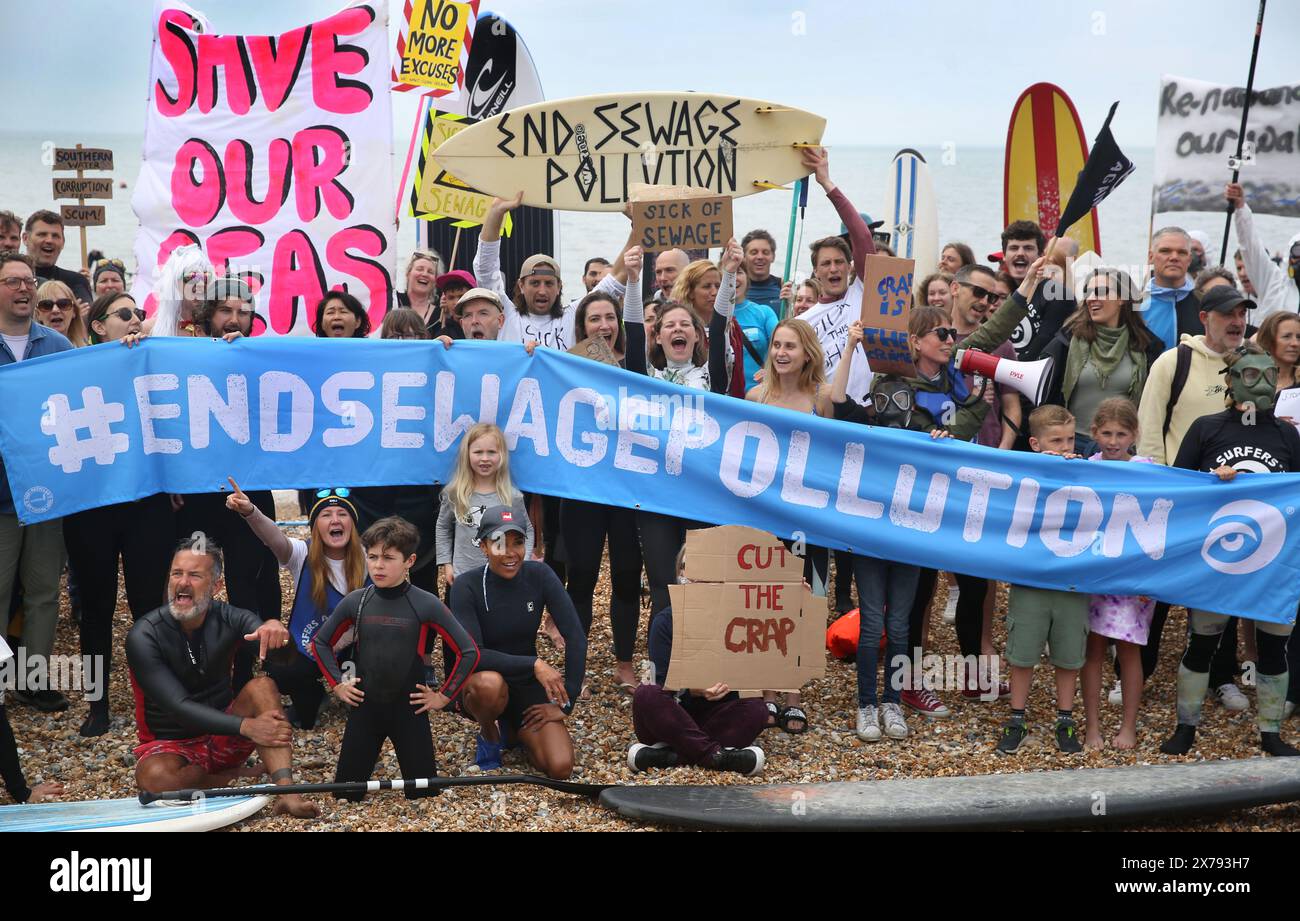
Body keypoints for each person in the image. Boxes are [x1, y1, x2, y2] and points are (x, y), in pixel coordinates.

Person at [1161, 343, 1300, 758]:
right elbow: (1178, 489)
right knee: (1203, 643)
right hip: (1216, 558)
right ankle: (1185, 728)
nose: (1261, 385)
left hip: (1273, 560)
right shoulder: (1207, 428)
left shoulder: (1287, 434)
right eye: (1250, 375)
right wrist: (1210, 479)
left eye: (1269, 375)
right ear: (1232, 380)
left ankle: (1270, 732)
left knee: (1273, 647)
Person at [125, 537, 318, 817]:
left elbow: (286, 662)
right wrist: (247, 727)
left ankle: (285, 792)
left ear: (215, 586)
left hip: (223, 734)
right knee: (155, 779)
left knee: (262, 686)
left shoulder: (229, 618)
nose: (182, 583)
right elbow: (179, 708)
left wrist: (280, 636)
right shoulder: (144, 635)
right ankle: (230, 777)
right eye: (177, 573)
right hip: (171, 745)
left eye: (194, 575)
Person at [1134, 283, 1253, 707]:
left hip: (1230, 500)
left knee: (1222, 590)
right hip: (1176, 497)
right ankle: (1133, 675)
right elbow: (1150, 427)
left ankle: (1222, 676)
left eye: (1241, 314)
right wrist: (1157, 488)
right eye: (1227, 315)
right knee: (1156, 593)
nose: (1237, 322)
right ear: (1205, 318)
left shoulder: (1252, 362)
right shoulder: (1174, 361)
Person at [62, 301, 169, 736]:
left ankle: (155, 699)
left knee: (149, 607)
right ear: (98, 326)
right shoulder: (74, 365)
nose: (134, 319)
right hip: (91, 507)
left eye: (137, 311)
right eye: (123, 314)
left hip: (146, 504)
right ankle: (97, 704)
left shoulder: (152, 358)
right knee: (96, 609)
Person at [313, 517, 479, 799]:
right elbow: (320, 643)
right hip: (365, 710)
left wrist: (443, 696)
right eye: (373, 557)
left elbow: (468, 652)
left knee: (424, 796)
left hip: (410, 712)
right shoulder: (357, 601)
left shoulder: (425, 603)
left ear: (409, 561)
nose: (378, 565)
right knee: (345, 796)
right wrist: (338, 684)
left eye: (388, 558)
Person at [623, 243, 733, 618]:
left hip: (702, 493)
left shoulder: (711, 377)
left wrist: (729, 272)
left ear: (697, 336)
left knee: (702, 580)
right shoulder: (646, 379)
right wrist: (635, 279)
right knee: (662, 584)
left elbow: (720, 329)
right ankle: (664, 669)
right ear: (659, 337)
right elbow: (633, 331)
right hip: (656, 496)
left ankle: (703, 667)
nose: (677, 329)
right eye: (669, 325)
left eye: (685, 324)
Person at [448, 508, 587, 778]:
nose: (510, 552)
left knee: (560, 767)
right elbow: (473, 654)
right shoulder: (466, 586)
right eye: (499, 542)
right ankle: (490, 732)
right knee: (489, 685)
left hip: (526, 687)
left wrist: (565, 704)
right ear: (484, 546)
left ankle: (513, 730)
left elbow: (576, 637)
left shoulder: (540, 574)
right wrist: (535, 664)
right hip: (484, 682)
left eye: (518, 542)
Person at [746, 315, 832, 732]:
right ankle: (766, 693)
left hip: (810, 521)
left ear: (806, 354)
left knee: (805, 603)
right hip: (765, 518)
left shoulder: (822, 400)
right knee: (765, 603)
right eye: (777, 345)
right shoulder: (754, 396)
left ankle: (794, 694)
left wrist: (850, 346)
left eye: (790, 347)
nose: (781, 353)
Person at [228, 482, 366, 729]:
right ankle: (313, 694)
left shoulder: (369, 559)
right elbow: (272, 537)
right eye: (326, 515)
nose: (335, 520)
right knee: (281, 670)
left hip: (352, 649)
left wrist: (339, 642)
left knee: (365, 701)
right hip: (309, 649)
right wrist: (250, 511)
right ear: (315, 525)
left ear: (353, 523)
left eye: (342, 514)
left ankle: (353, 692)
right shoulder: (302, 554)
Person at [0, 253, 73, 712]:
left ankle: (33, 678)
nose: (24, 289)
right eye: (12, 282)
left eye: (29, 281)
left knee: (45, 589)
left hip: (47, 494)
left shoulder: (59, 346)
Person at [561, 284, 642, 689]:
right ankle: (576, 660)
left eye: (610, 318)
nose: (603, 325)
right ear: (582, 326)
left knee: (628, 575)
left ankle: (624, 662)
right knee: (582, 577)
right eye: (594, 318)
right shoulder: (566, 367)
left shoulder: (639, 367)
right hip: (583, 489)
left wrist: (631, 276)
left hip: (627, 490)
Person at [995, 405, 1089, 755]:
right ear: (1035, 443)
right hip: (1031, 580)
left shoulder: (1086, 472)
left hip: (1072, 581)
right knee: (1022, 653)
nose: (1065, 448)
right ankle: (1016, 718)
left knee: (1068, 655)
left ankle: (1065, 719)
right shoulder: (1023, 474)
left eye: (1070, 440)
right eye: (1056, 441)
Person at [627, 545, 768, 774]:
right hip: (672, 715)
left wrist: (797, 601)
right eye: (690, 567)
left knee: (757, 709)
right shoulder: (665, 621)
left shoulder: (740, 620)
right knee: (646, 693)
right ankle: (716, 756)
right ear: (680, 574)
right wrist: (694, 689)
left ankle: (669, 756)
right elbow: (657, 679)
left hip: (715, 715)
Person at [1080, 399, 1156, 751]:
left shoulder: (1147, 470)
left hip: (1132, 575)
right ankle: (1091, 727)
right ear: (1094, 432)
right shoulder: (1084, 467)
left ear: (1134, 435)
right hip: (1094, 572)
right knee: (1092, 648)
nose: (1113, 441)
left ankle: (1129, 726)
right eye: (1106, 433)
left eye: (1121, 433)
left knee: (1128, 649)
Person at [1040, 267, 1164, 457]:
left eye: (1101, 292)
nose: (1091, 298)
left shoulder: (1147, 347)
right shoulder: (1066, 342)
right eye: (1088, 293)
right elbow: (1042, 394)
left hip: (1120, 450)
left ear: (1122, 298)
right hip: (1071, 449)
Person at [437, 423, 534, 594]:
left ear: (501, 455)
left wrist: (522, 563)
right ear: (466, 455)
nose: (485, 458)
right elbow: (443, 528)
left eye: (491, 452)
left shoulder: (512, 496)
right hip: (462, 577)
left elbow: (528, 531)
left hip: (502, 577)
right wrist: (446, 564)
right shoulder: (455, 493)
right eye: (478, 452)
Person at [671, 257, 747, 396]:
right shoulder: (680, 331)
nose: (714, 292)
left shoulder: (732, 327)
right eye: (707, 286)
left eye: (718, 286)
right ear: (690, 291)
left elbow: (739, 376)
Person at [1226, 182, 1300, 318]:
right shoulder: (1272, 282)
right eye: (1298, 252)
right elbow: (1250, 246)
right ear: (1289, 257)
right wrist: (1241, 208)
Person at [1139, 228, 1204, 359]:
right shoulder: (1134, 308)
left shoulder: (1205, 305)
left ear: (1189, 259)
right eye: (1165, 251)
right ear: (1151, 257)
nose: (1174, 257)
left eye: (1181, 252)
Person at [22, 210, 92, 304]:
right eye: (42, 234)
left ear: (63, 242)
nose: (49, 240)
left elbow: (86, 314)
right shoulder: (11, 278)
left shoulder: (76, 281)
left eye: (55, 236)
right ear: (25, 238)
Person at [141, 244, 211, 337]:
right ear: (173, 283)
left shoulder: (216, 327)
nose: (200, 285)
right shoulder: (149, 330)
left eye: (205, 278)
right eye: (192, 277)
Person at [731, 267, 780, 387]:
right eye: (729, 273)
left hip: (757, 395)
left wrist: (772, 370)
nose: (734, 277)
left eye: (739, 272)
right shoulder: (712, 315)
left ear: (747, 278)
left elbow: (781, 345)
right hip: (725, 397)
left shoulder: (764, 313)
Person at [394, 250, 447, 336]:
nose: (424, 274)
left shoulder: (441, 314)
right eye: (420, 269)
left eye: (430, 272)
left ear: (435, 281)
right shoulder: (395, 301)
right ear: (408, 274)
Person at [34, 279, 89, 347]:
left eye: (63, 304)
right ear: (38, 314)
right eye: (46, 305)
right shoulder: (28, 355)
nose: (55, 310)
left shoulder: (89, 352)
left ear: (74, 311)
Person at [1256, 311, 1300, 394]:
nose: (1295, 343)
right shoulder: (1249, 382)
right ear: (1269, 340)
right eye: (1286, 336)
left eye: (1299, 337)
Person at [741, 229, 783, 310]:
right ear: (744, 257)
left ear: (773, 257)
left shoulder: (782, 287)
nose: (760, 257)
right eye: (754, 252)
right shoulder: (736, 288)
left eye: (765, 252)